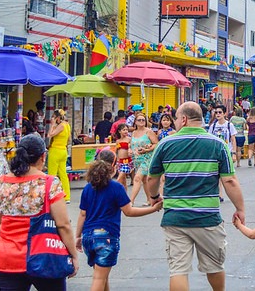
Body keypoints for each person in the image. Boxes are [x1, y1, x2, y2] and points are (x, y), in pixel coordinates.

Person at [148, 101, 246, 291]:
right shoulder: (218, 144)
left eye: (176, 118)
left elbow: (152, 178)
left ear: (183, 119)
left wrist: (154, 196)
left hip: (175, 217)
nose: (175, 122)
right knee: (215, 266)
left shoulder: (165, 144)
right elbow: (230, 181)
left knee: (178, 270)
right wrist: (240, 209)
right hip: (207, 218)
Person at [0, 134, 79, 289]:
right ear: (42, 157)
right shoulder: (49, 183)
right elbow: (63, 224)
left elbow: (0, 219)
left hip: (8, 260)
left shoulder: (2, 182)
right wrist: (73, 255)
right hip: (43, 257)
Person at [76, 149, 162, 290]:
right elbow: (129, 211)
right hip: (107, 236)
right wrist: (153, 209)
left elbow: (82, 215)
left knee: (102, 276)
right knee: (99, 278)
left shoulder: (88, 188)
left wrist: (78, 236)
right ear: (114, 167)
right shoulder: (116, 187)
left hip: (88, 237)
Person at [130, 113, 159, 206]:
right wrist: (130, 150)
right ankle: (149, 199)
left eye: (143, 120)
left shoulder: (148, 132)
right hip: (136, 159)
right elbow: (131, 145)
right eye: (139, 120)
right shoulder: (133, 133)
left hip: (147, 158)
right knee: (145, 180)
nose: (141, 122)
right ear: (135, 122)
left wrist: (147, 149)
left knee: (137, 178)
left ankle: (131, 201)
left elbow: (156, 144)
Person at [47, 109, 72, 203]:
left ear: (57, 117)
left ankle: (50, 195)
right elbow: (69, 139)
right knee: (63, 174)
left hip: (55, 150)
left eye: (54, 117)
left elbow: (50, 134)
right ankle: (67, 196)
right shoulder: (67, 125)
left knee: (52, 174)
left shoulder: (61, 125)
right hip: (63, 150)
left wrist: (52, 125)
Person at [115, 124, 132, 189]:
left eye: (127, 130)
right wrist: (116, 162)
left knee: (119, 179)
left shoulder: (129, 139)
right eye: (124, 130)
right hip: (120, 162)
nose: (126, 131)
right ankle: (125, 197)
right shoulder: (118, 141)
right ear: (119, 131)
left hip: (127, 161)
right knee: (123, 181)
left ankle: (111, 191)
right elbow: (116, 152)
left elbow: (131, 148)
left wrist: (130, 149)